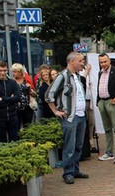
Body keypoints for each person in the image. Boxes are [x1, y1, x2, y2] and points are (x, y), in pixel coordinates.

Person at [46, 52, 90, 184]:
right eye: (80, 60)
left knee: (78, 146)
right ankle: (68, 173)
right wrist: (55, 111)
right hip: (70, 117)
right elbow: (49, 94)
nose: (83, 63)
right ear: (72, 61)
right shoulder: (63, 76)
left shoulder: (76, 76)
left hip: (81, 116)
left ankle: (75, 170)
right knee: (69, 147)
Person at [0, 60, 20, 143]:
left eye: (5, 70)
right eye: (0, 71)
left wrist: (2, 99)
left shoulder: (12, 83)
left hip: (13, 115)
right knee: (2, 141)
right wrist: (10, 99)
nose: (2, 73)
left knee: (14, 140)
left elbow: (17, 97)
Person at [11, 63, 36, 128]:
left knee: (27, 126)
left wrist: (30, 90)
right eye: (13, 72)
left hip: (27, 107)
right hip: (15, 108)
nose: (13, 73)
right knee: (16, 127)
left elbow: (34, 95)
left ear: (20, 72)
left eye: (15, 72)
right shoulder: (11, 82)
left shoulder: (26, 80)